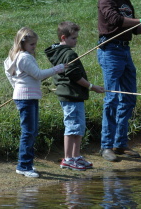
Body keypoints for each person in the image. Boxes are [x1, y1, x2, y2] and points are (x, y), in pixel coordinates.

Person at [97, 0, 141, 162]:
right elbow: (114, 19)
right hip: (110, 50)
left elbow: (129, 29)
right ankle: (106, 146)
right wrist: (139, 21)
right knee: (112, 99)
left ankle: (120, 144)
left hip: (125, 50)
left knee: (129, 98)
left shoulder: (127, 2)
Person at [4, 27, 67, 178]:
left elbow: (9, 75)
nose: (34, 48)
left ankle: (27, 163)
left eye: (35, 44)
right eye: (32, 44)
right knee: (28, 132)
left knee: (31, 131)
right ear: (23, 43)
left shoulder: (16, 56)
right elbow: (38, 75)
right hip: (26, 98)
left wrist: (16, 88)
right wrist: (58, 68)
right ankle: (24, 166)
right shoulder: (24, 57)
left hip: (26, 96)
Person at [45, 21, 105, 171]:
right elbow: (74, 75)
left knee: (79, 127)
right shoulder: (69, 54)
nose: (76, 41)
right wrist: (92, 87)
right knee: (72, 127)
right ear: (64, 37)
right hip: (71, 95)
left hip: (73, 95)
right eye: (73, 38)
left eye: (76, 38)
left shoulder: (57, 51)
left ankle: (76, 156)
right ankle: (68, 159)